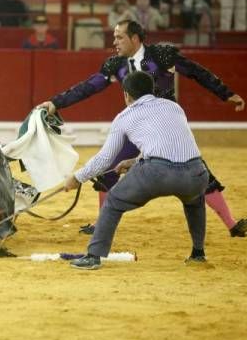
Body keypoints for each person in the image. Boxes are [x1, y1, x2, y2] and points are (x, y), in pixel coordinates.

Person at [38, 19, 247, 238]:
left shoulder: (161, 56)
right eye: (114, 37)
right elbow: (88, 87)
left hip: (167, 129)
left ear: (135, 38)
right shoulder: (116, 64)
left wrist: (226, 93)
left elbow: (197, 72)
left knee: (199, 172)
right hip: (136, 128)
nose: (114, 42)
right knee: (108, 170)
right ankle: (103, 222)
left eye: (119, 37)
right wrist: (56, 103)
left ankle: (232, 224)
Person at [65, 71, 209, 270]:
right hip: (196, 173)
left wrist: (77, 177)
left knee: (113, 200)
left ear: (127, 95)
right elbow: (170, 142)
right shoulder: (173, 107)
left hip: (157, 174)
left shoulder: (124, 117)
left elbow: (105, 159)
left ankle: (93, 256)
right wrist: (135, 161)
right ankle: (198, 253)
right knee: (195, 202)